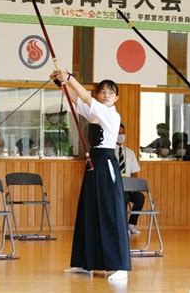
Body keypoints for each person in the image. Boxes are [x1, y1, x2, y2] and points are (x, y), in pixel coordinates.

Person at [51, 70, 130, 281]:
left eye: (110, 92)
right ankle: (85, 262)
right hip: (94, 163)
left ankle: (119, 266)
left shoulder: (111, 114)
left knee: (109, 213)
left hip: (105, 164)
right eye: (102, 91)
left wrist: (69, 78)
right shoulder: (97, 112)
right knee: (89, 210)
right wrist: (62, 84)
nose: (105, 95)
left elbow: (86, 97)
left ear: (116, 98)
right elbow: (77, 101)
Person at [115, 123, 144, 235]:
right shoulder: (110, 151)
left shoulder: (130, 152)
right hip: (117, 187)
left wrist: (133, 187)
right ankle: (122, 225)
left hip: (128, 186)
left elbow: (134, 172)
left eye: (122, 133)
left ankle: (131, 224)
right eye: (118, 133)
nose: (121, 136)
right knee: (124, 197)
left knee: (140, 197)